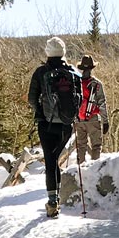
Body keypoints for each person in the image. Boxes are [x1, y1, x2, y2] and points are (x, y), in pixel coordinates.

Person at [27, 36, 81, 218]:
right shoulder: (73, 72)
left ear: (48, 52)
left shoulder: (41, 72)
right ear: (63, 52)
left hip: (46, 123)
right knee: (55, 159)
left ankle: (52, 202)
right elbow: (79, 98)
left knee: (50, 161)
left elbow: (31, 98)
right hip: (66, 124)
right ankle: (55, 197)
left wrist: (41, 112)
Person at [74, 55, 110, 164]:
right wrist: (105, 121)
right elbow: (102, 104)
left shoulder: (76, 83)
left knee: (81, 146)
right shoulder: (97, 84)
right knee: (96, 146)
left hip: (79, 120)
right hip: (93, 119)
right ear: (92, 68)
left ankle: (79, 169)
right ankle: (95, 168)